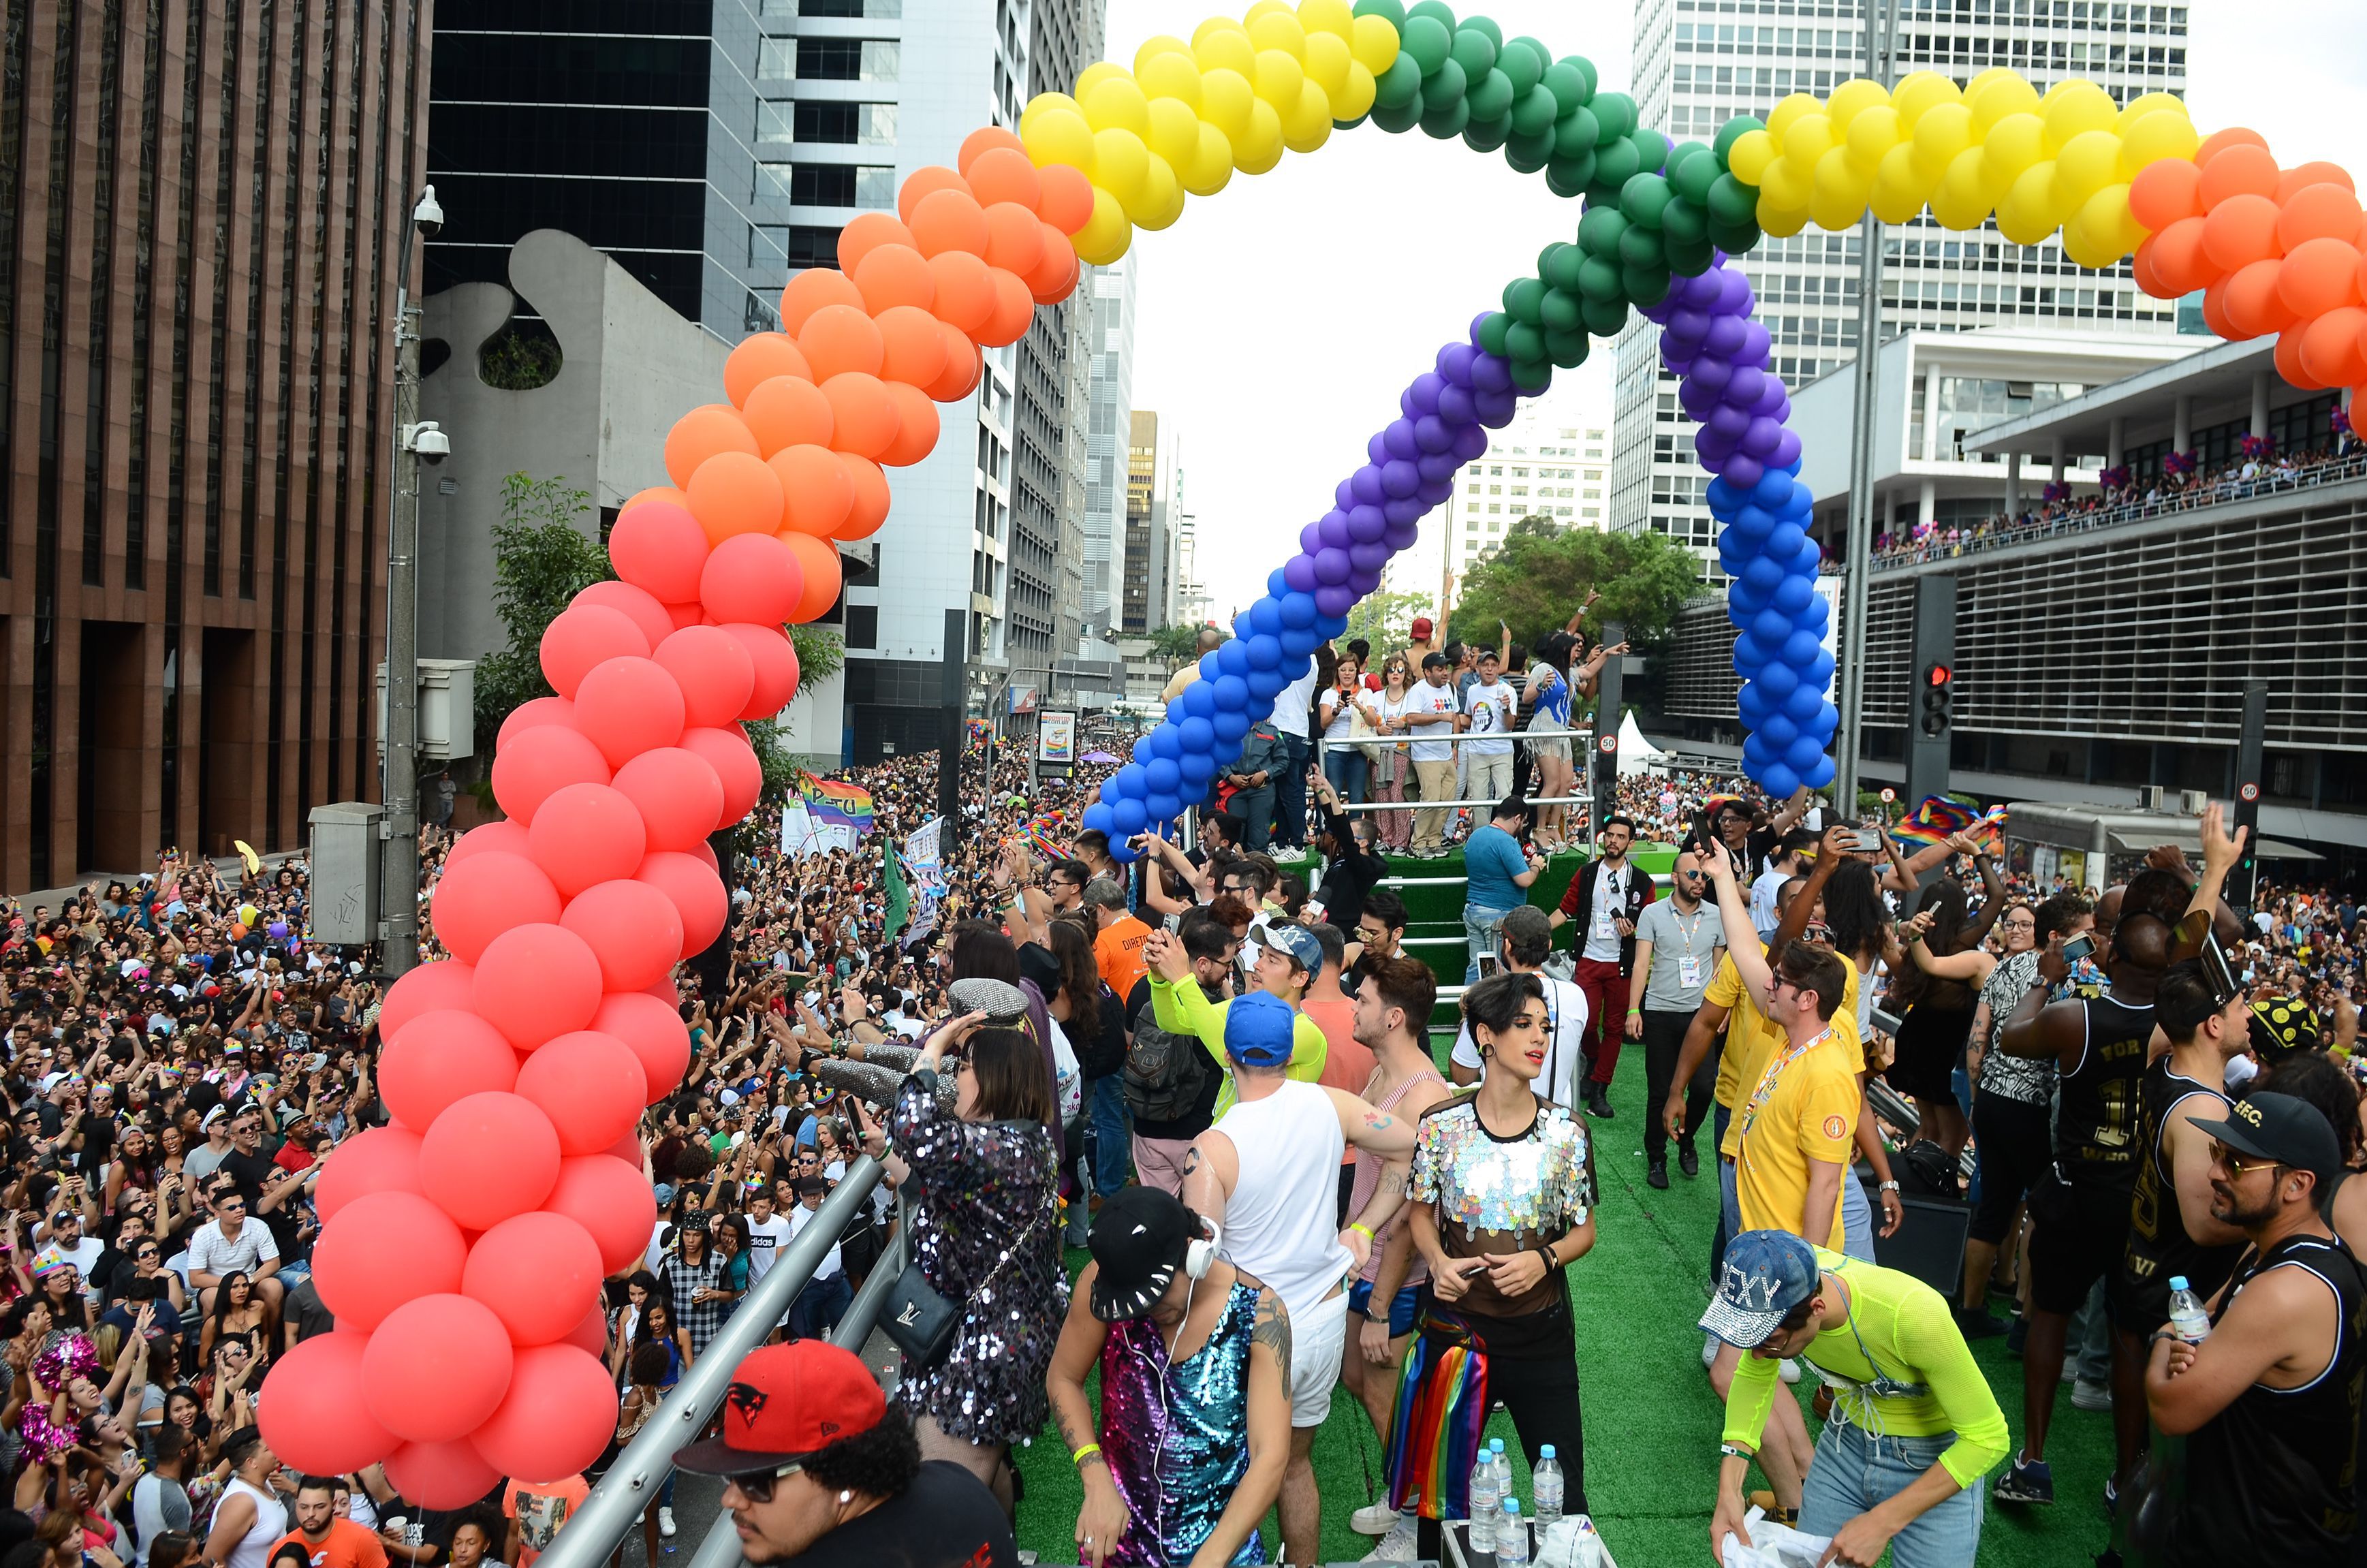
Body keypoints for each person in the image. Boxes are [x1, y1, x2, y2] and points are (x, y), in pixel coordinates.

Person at [1989, 849, 2196, 1506]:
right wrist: (2194, 880)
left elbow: (2010, 1038)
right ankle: (2128, 1473)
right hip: (2142, 1201)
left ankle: (2033, 1459)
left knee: (2049, 1316)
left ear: (2111, 960)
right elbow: (2202, 943)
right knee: (2130, 1336)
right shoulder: (2179, 1027)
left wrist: (2043, 979)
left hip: (2076, 1191)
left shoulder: (2075, 1018)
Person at [1180, 992, 1417, 1566]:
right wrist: (1362, 1227)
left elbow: (1198, 1264)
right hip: (1321, 1317)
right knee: (1293, 1463)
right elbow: (1412, 1147)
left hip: (1256, 1327)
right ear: (1289, 1052)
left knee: (1238, 1468)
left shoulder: (1212, 1149)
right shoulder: (1331, 1105)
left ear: (1227, 1054)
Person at [1390, 971, 1597, 1563]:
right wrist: (1436, 1262)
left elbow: (1583, 1231)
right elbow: (1420, 1215)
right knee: (1438, 1498)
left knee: (1567, 1499)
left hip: (1542, 1340)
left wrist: (1544, 1258)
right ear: (1485, 1036)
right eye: (1524, 1026)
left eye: (1545, 1027)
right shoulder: (1441, 1126)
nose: (1540, 1039)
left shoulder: (1566, 1132)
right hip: (1455, 1337)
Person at [2137, 1093, 2366, 1567]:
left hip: (2262, 1544)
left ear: (2296, 1184)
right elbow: (2202, 1318)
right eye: (2218, 1153)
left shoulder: (2286, 1293)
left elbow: (2170, 1407)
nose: (2215, 1172)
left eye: (2238, 1164)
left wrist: (2162, 1343)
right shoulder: (2292, 1250)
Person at [1704, 1230, 2009, 1568]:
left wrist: (1883, 1521)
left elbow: (1988, 1438)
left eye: (1770, 1341)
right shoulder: (1786, 1278)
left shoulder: (1914, 1314)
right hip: (1844, 1446)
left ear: (1817, 1308)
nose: (1758, 1355)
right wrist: (1729, 1488)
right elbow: (1753, 1374)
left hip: (1935, 1461)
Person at [864, 1012, 1063, 1514]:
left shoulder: (1001, 1148)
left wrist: (931, 1052)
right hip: (984, 1339)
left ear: (997, 1079)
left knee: (941, 1500)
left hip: (983, 1355)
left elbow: (917, 1125)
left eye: (968, 1066)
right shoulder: (1019, 1144)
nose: (958, 1078)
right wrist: (887, 1153)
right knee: (977, 1477)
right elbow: (947, 1199)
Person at [1046, 1187, 1291, 1568]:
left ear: (1194, 1255)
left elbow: (1270, 1456)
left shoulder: (1260, 1312)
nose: (1148, 1311)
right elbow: (1062, 1377)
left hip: (1223, 1553)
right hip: (1120, 1548)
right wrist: (1093, 1473)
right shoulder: (1107, 1283)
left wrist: (1210, 1559)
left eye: (1157, 1296)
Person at [2105, 956, 2252, 1498]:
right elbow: (2204, 1226)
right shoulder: (2202, 1112)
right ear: (2212, 1025)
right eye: (2240, 1007)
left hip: (2140, 1260)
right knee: (2171, 1440)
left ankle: (2127, 1481)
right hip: (2176, 1285)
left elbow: (2170, 1007)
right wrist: (2274, 1222)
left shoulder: (2160, 1060)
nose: (2248, 1014)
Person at [673, 1338, 1016, 1568]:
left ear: (843, 1473)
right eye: (731, 1477)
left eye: (758, 1479)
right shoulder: (962, 1486)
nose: (732, 1499)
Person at [1337, 957, 1453, 1550]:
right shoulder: (1382, 1073)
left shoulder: (1424, 1096)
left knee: (1385, 1391)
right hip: (1368, 1262)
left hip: (1395, 1279)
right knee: (1356, 1376)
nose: (1353, 1008)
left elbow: (1416, 1214)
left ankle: (1412, 1525)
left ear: (1394, 1017)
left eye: (1362, 1000)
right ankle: (1398, 1492)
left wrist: (1382, 1305)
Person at [1956, 891, 2092, 1338]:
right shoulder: (2064, 983)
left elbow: (1978, 1038)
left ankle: (1972, 1310)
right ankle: (2026, 1317)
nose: (2088, 946)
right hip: (2030, 1106)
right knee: (2043, 1206)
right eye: (2082, 937)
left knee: (1993, 1205)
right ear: (2056, 937)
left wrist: (1978, 1097)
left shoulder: (2004, 968)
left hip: (1992, 1099)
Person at [1143, 922, 1328, 1116]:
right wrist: (1159, 978)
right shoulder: (1242, 1007)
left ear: (1300, 979)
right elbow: (1172, 1021)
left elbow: (1232, 1055)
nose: (1258, 965)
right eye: (1260, 955)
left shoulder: (1308, 1033)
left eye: (1272, 960)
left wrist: (1183, 980)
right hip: (1227, 1135)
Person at [1628, 851, 1722, 1189]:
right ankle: (1656, 1157)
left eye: (1704, 877)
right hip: (1661, 1013)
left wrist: (1720, 1011)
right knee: (1660, 1091)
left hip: (1702, 1016)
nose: (1700, 881)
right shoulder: (1652, 913)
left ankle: (1686, 1138)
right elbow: (1641, 964)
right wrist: (1633, 1009)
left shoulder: (1715, 915)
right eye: (1694, 875)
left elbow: (1720, 968)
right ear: (1676, 877)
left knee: (1703, 1088)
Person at [1550, 815, 1655, 1118]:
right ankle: (1595, 1062)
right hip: (1589, 960)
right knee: (1585, 1021)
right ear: (1602, 837)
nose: (1614, 841)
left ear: (1630, 843)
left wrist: (1633, 931)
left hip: (1623, 965)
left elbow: (1648, 925)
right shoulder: (1586, 874)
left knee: (1614, 1027)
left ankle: (1599, 1089)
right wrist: (1538, 930)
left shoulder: (1642, 881)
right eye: (1610, 835)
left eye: (1621, 837)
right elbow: (1565, 910)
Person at [1447, 907, 1590, 1108]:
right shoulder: (1576, 997)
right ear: (1549, 945)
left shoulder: (1488, 998)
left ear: (1506, 946)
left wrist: (1467, 1016)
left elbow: (1462, 1075)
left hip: (1502, 1126)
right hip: (1559, 1124)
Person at [1458, 798, 1544, 986]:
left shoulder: (1475, 836)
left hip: (1474, 910)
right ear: (1517, 819)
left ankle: (1468, 1011)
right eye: (1523, 823)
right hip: (1498, 915)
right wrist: (1536, 866)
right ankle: (1499, 1014)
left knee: (1477, 966)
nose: (1522, 828)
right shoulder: (1506, 842)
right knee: (1503, 970)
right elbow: (1525, 880)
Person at [1402, 655, 1462, 860]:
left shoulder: (1450, 688)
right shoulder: (1418, 690)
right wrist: (1439, 717)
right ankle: (1417, 844)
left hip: (1446, 753)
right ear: (1428, 672)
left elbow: (1455, 717)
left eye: (1446, 668)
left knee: (1446, 800)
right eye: (1439, 669)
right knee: (1431, 799)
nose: (1445, 672)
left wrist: (1455, 745)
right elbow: (1411, 718)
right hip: (1426, 755)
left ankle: (1434, 841)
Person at [200, 1428, 287, 1568]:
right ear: (252, 1462)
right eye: (267, 1449)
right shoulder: (241, 1503)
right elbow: (210, 1559)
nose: (275, 1450)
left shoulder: (262, 1483)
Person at [277, 1477, 390, 1568]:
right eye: (304, 1507)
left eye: (320, 1507)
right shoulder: (281, 1550)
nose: (310, 1514)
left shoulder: (363, 1539)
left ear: (333, 1505)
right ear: (296, 1504)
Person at [1459, 649, 1518, 806]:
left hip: (1502, 750)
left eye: (1493, 665)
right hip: (1477, 751)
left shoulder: (1509, 691)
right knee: (1478, 800)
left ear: (1498, 668)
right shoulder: (1472, 690)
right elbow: (1469, 717)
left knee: (1505, 797)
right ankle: (1481, 830)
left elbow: (1510, 725)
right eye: (1485, 665)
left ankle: (1501, 830)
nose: (1490, 669)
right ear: (1478, 668)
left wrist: (1506, 709)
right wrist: (1449, 719)